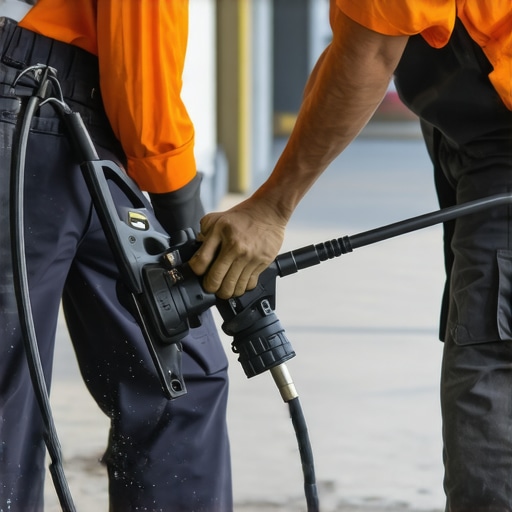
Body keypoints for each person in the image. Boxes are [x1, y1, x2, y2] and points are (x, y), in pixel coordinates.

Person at [190, 1, 512, 511]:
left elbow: (374, 50)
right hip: (480, 148)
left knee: (493, 385)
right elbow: (355, 44)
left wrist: (271, 208)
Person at [0, 1, 232, 511]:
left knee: (179, 376)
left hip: (68, 110)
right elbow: (142, 42)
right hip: (31, 99)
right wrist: (180, 206)